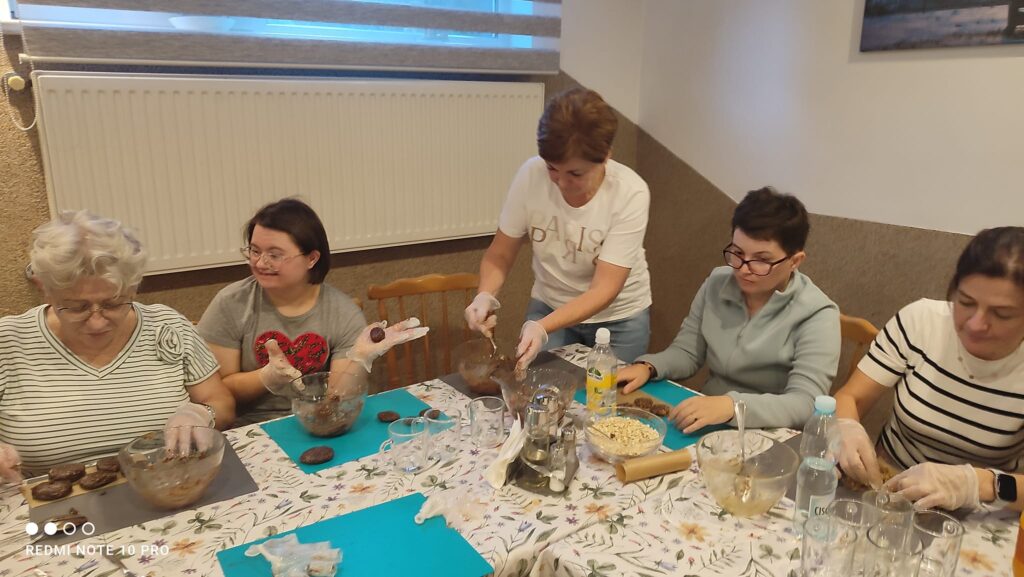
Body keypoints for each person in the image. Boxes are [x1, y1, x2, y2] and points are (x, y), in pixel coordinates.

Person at [0, 211, 236, 479]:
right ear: (45, 290)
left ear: (133, 288)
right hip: (53, 498)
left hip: (167, 485)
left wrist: (201, 413)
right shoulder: (8, 341)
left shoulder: (167, 327)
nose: (97, 322)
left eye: (113, 303)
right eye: (76, 307)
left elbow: (221, 403)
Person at [618, 187, 841, 432]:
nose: (743, 269)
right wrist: (648, 367)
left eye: (761, 260)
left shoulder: (818, 314)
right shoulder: (717, 283)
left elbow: (805, 403)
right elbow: (687, 352)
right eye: (737, 253)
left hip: (767, 431)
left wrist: (733, 406)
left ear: (795, 261)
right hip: (708, 417)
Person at [836, 227, 1024, 511]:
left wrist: (975, 483)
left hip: (982, 510)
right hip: (890, 485)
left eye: (1002, 314)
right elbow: (851, 397)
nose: (976, 324)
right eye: (966, 302)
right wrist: (846, 427)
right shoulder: (921, 322)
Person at [464, 88, 652, 370]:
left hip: (618, 320)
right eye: (552, 168)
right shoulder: (531, 175)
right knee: (538, 390)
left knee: (607, 396)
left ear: (605, 156)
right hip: (549, 304)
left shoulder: (630, 192)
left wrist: (542, 327)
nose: (561, 182)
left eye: (575, 173)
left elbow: (605, 288)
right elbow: (500, 253)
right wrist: (485, 294)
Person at [199, 198, 426, 427]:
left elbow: (338, 401)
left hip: (317, 420)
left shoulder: (342, 312)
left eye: (275, 255)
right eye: (255, 251)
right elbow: (215, 396)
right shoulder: (231, 303)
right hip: (249, 428)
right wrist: (265, 377)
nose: (260, 263)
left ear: (311, 258)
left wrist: (359, 358)